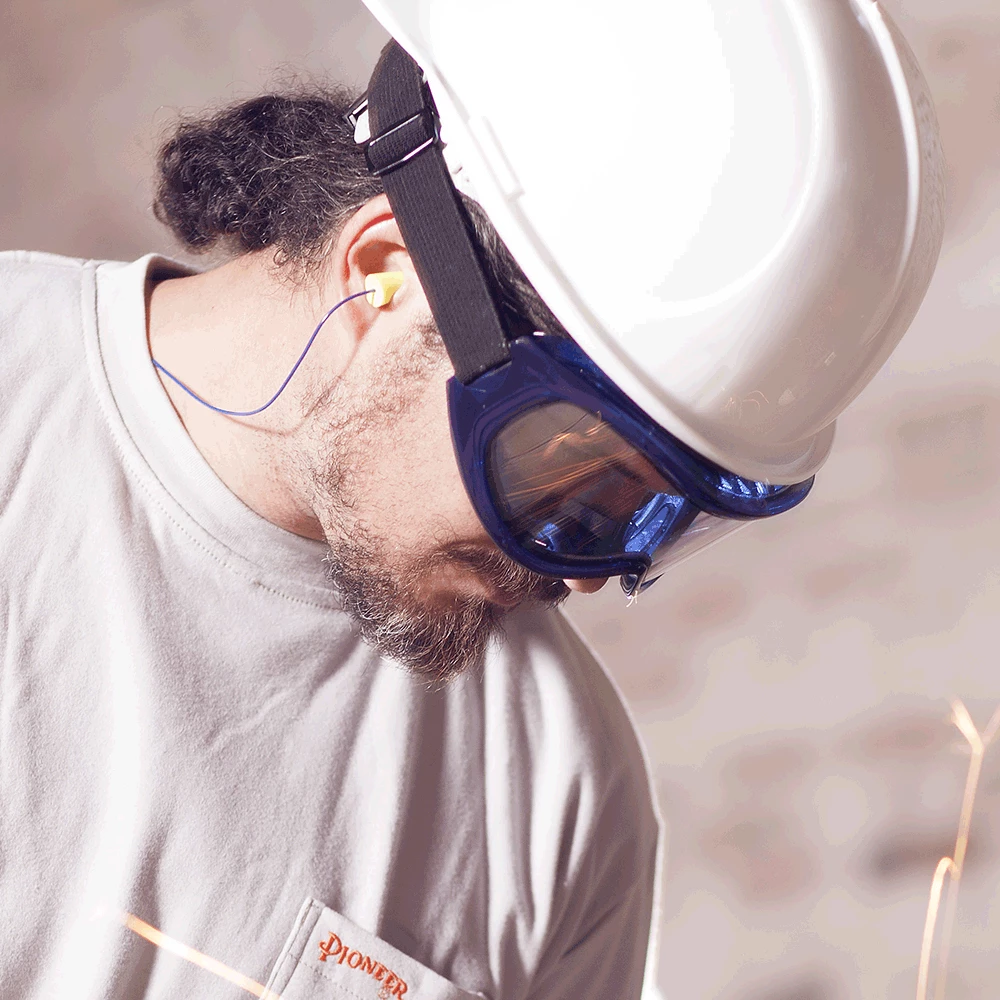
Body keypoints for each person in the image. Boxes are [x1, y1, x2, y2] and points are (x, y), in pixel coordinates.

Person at [0, 1, 943, 998]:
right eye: (566, 466)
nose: (580, 576)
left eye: (650, 521)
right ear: (380, 275)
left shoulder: (564, 796)